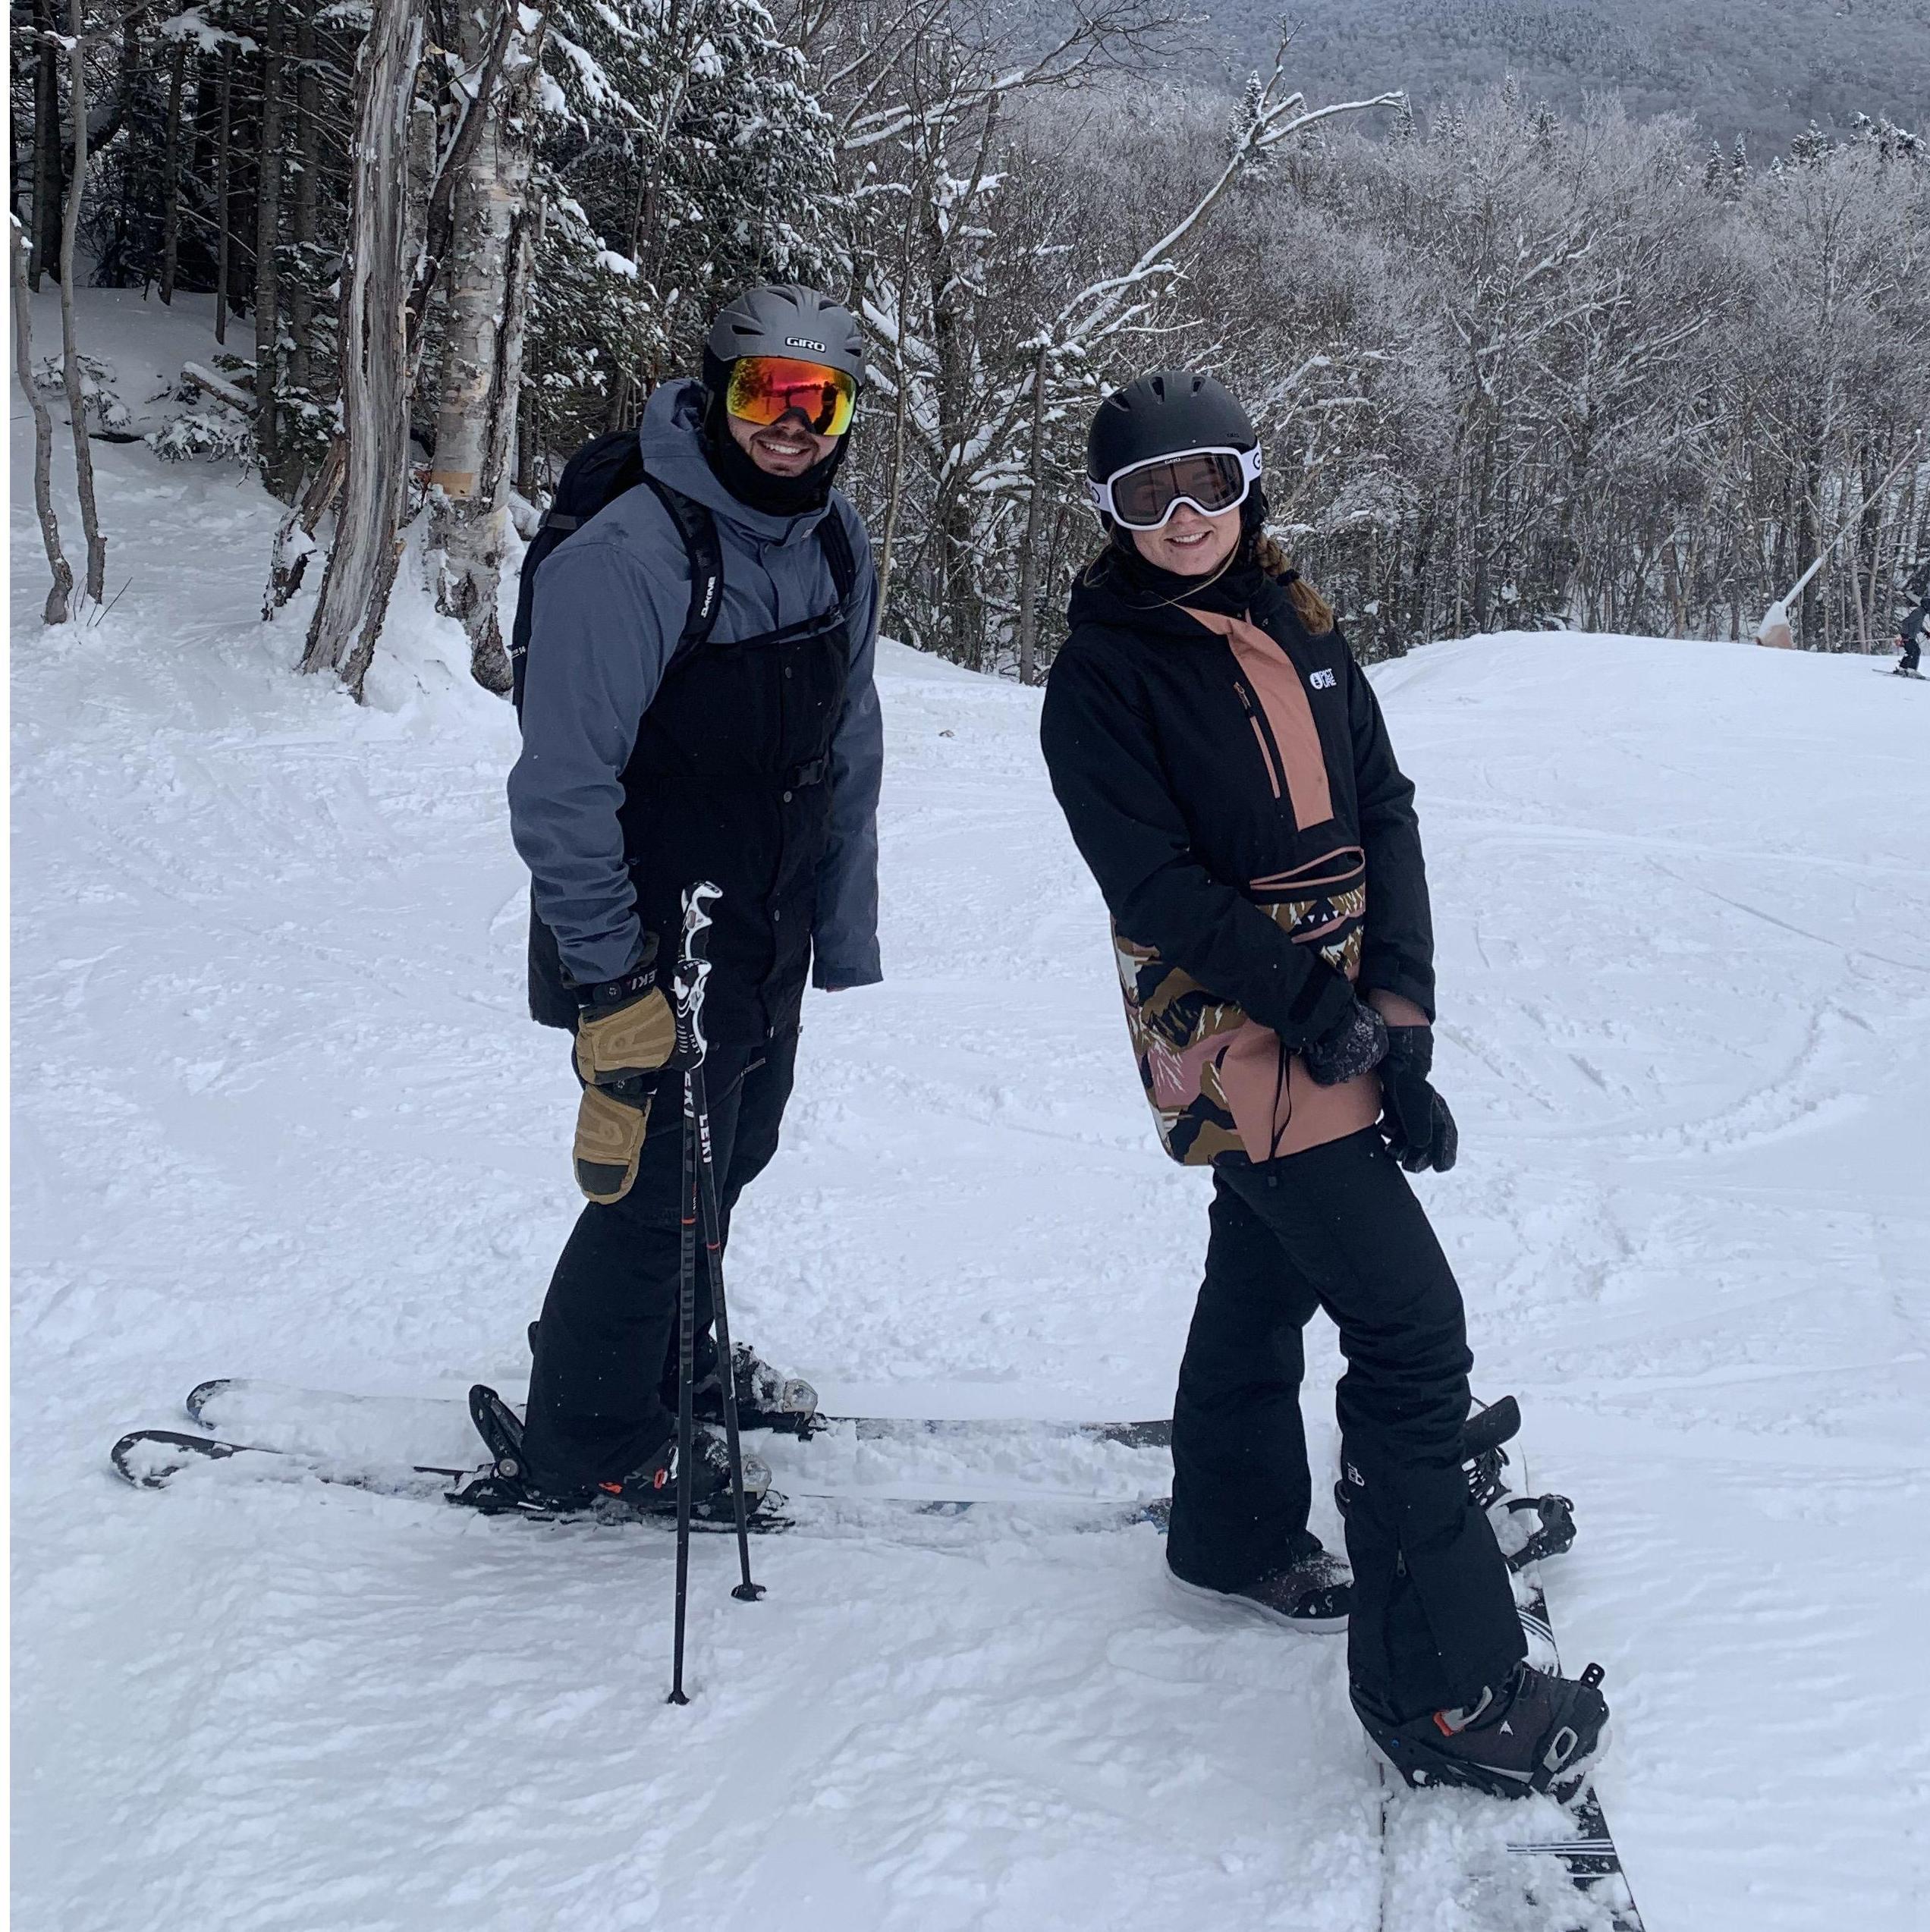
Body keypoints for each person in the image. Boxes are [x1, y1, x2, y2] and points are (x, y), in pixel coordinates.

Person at [1038, 369, 1608, 1799]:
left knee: (1260, 1257)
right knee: (1408, 1330)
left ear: (1246, 484)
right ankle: (1440, 1693)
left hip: (1337, 1004)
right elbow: (1154, 884)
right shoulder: (1099, 674)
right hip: (1229, 1018)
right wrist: (1314, 1016)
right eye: (1144, 495)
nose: (1181, 517)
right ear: (1107, 515)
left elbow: (1384, 806)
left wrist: (1395, 1019)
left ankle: (1229, 1528)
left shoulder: (1296, 615)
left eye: (1206, 484)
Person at [486, 284, 883, 1514]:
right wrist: (609, 980)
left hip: (766, 910)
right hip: (652, 921)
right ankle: (593, 1437)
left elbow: (849, 735)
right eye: (765, 392)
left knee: (735, 1145)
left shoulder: (832, 541)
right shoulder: (634, 554)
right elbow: (561, 786)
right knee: (657, 1173)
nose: (790, 424)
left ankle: (664, 1351)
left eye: (818, 400)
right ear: (717, 392)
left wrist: (843, 922)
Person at [1893, 583, 1928, 677]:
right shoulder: (1918, 612)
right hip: (1908, 637)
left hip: (1910, 636)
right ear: (1926, 605)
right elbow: (1905, 622)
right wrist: (1905, 635)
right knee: (1915, 651)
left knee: (1911, 651)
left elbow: (1918, 625)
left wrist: (1926, 632)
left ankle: (1902, 668)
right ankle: (1912, 670)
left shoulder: (1921, 613)